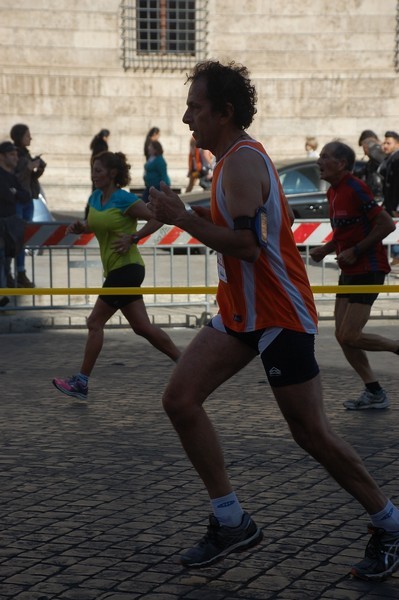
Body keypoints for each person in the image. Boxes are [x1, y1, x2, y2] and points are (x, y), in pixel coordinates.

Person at [147, 60, 399, 581]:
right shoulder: (228, 163)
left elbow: (245, 245)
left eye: (195, 107)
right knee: (180, 399)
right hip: (241, 313)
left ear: (224, 111)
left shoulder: (241, 163)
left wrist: (183, 218)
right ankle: (232, 519)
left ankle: (389, 522)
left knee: (311, 433)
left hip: (279, 313)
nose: (185, 117)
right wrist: (158, 212)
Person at [52, 151, 180, 401]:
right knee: (142, 327)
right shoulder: (95, 197)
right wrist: (81, 227)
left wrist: (135, 236)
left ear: (112, 173)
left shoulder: (124, 199)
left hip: (127, 269)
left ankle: (81, 382)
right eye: (92, 169)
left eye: (98, 170)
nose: (94, 174)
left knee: (94, 323)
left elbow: (159, 217)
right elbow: (95, 224)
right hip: (115, 270)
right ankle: (186, 362)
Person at [310, 141, 397, 410]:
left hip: (369, 269)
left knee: (350, 335)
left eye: (325, 157)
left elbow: (385, 223)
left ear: (342, 164)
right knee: (341, 334)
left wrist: (357, 250)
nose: (319, 162)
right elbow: (344, 233)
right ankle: (374, 392)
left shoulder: (355, 187)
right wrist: (326, 249)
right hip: (349, 271)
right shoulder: (332, 192)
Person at [9, 123, 46, 288]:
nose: (30, 138)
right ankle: (15, 273)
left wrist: (40, 167)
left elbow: (31, 179)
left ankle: (20, 272)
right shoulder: (13, 155)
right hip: (18, 200)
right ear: (19, 137)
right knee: (15, 238)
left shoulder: (25, 154)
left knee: (23, 238)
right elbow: (15, 178)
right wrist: (29, 168)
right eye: (27, 135)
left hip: (28, 199)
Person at [0, 141, 30, 307]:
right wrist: (13, 194)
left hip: (9, 226)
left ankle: (3, 293)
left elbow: (25, 195)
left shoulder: (11, 177)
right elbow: (6, 195)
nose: (16, 158)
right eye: (12, 154)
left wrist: (14, 193)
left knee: (5, 260)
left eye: (16, 154)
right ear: (2, 156)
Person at [378, 130, 399, 269]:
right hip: (390, 203)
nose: (385, 145)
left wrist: (396, 206)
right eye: (384, 142)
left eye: (388, 143)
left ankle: (397, 256)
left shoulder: (397, 159)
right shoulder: (389, 158)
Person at [357, 129, 385, 200]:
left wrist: (371, 144)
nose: (364, 152)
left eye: (364, 147)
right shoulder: (370, 163)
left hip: (380, 196)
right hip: (372, 196)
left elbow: (381, 158)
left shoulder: (379, 155)